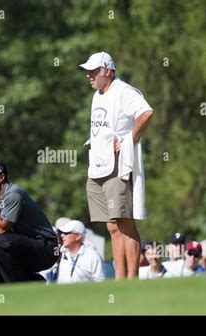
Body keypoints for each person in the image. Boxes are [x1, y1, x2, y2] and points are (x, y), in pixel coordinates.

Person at [79, 52, 154, 280]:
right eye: (88, 72)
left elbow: (146, 112)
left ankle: (132, 279)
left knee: (124, 222)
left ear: (108, 71)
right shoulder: (98, 96)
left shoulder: (124, 91)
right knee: (112, 226)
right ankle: (119, 279)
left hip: (118, 166)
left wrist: (129, 139)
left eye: (93, 72)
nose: (89, 76)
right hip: (99, 164)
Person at [0, 159, 59, 284]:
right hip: (21, 248)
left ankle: (15, 290)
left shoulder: (13, 194)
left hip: (46, 250)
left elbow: (1, 228)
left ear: (1, 177)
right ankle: (31, 283)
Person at [56, 220, 105, 284]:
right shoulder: (63, 254)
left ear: (77, 236)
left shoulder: (93, 256)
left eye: (66, 233)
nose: (62, 235)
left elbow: (100, 282)